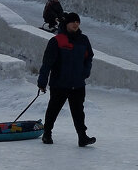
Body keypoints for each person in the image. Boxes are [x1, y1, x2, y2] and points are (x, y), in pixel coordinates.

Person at [38, 12, 96, 147]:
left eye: (77, 21)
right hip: (60, 83)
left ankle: (82, 137)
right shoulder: (57, 41)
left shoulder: (83, 40)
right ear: (66, 24)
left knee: (78, 112)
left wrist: (85, 72)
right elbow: (47, 63)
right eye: (72, 22)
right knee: (53, 109)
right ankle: (47, 133)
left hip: (78, 83)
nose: (75, 24)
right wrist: (42, 81)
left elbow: (89, 58)